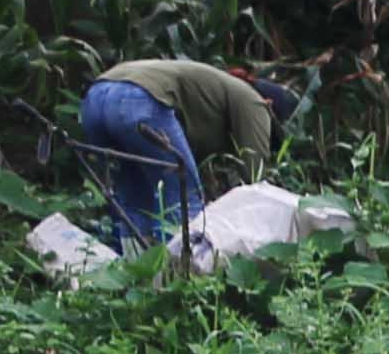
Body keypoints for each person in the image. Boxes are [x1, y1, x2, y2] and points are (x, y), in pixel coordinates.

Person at [75, 58, 284, 251]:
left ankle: (135, 273)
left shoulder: (214, 94)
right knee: (182, 201)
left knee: (134, 200)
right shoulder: (254, 102)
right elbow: (255, 180)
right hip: (138, 99)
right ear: (270, 105)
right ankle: (177, 280)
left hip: (95, 99)